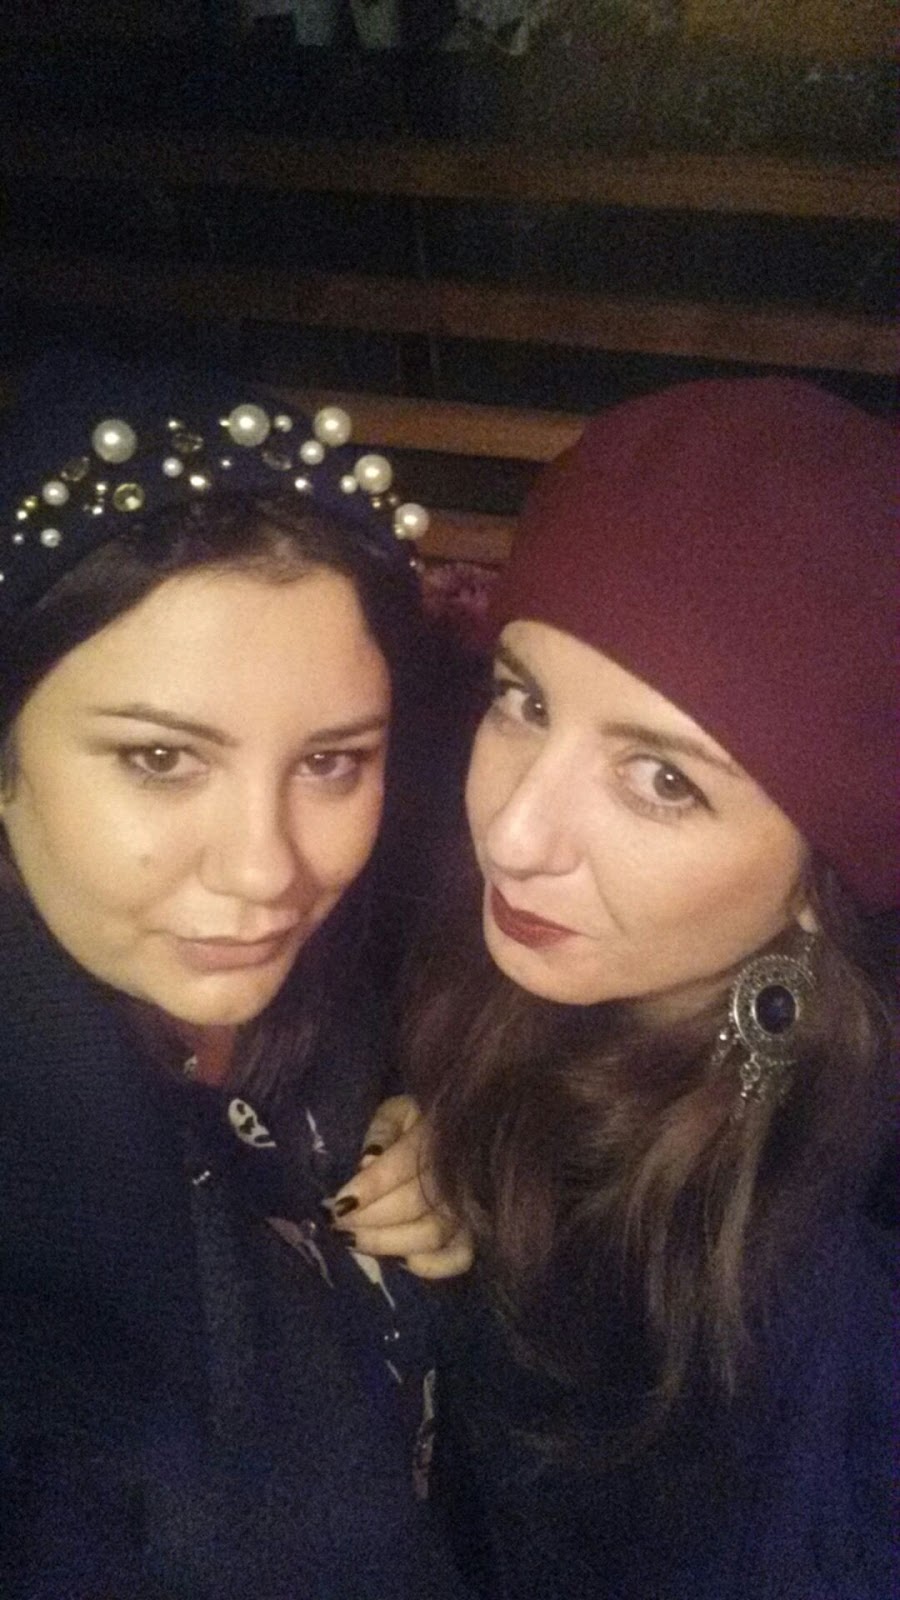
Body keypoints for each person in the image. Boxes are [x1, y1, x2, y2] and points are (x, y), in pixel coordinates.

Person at [334, 377, 897, 1598]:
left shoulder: (824, 1311)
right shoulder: (479, 945)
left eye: (663, 780)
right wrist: (457, 1145)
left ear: (825, 877)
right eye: (524, 702)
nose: (514, 832)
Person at [0, 355, 471, 1600]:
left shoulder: (349, 981)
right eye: (160, 758)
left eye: (332, 762)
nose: (269, 870)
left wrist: (451, 1145)